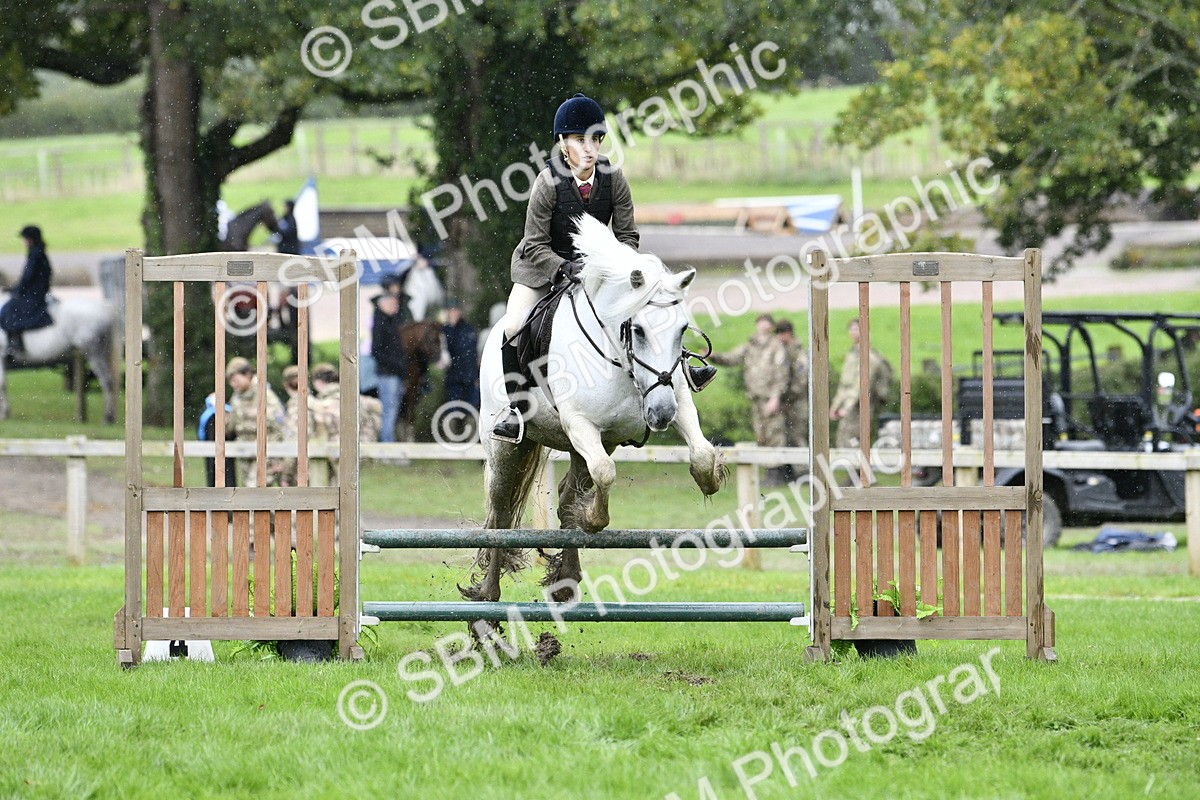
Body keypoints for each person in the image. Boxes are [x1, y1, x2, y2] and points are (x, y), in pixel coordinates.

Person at [490, 93, 716, 443]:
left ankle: (683, 367)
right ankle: (515, 410)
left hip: (597, 270)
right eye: (580, 140)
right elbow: (534, 244)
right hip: (541, 267)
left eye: (595, 139)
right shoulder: (547, 183)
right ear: (563, 144)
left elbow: (627, 235)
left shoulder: (613, 179)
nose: (589, 148)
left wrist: (618, 270)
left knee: (647, 312)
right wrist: (564, 269)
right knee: (515, 325)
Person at [710, 313, 790, 485]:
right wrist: (713, 356)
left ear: (771, 326)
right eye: (761, 322)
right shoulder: (750, 345)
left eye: (767, 323)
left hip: (770, 398)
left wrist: (775, 397)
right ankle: (769, 473)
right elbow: (732, 358)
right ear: (756, 324)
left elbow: (781, 374)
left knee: (775, 434)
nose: (763, 326)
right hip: (756, 399)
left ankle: (776, 475)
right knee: (762, 436)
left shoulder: (776, 346)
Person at [311, 362, 383, 481]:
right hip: (359, 448)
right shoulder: (353, 397)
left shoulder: (323, 402)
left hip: (336, 452)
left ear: (318, 382)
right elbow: (377, 407)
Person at [830, 318, 892, 450]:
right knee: (844, 438)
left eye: (857, 329)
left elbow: (861, 384)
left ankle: (859, 469)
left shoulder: (868, 356)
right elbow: (845, 384)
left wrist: (845, 408)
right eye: (851, 329)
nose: (853, 332)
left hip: (860, 406)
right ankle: (854, 469)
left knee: (853, 439)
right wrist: (836, 405)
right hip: (849, 405)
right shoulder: (853, 354)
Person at [224, 357, 286, 487]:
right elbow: (231, 427)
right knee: (250, 492)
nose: (234, 384)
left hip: (265, 452)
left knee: (254, 489)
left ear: (247, 375)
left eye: (236, 380)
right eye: (231, 381)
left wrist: (276, 456)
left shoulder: (264, 393)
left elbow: (279, 423)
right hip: (245, 453)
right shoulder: (236, 397)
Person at [1, 226, 54, 357]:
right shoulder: (38, 253)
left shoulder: (35, 255)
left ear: (30, 240)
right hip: (36, 292)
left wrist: (16, 290)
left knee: (7, 310)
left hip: (34, 295)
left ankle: (16, 343)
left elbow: (27, 278)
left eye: (24, 239)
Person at [371, 292, 408, 443]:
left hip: (393, 373)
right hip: (388, 374)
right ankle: (387, 444)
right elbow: (377, 351)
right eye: (393, 304)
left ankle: (388, 441)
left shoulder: (390, 321)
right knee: (389, 410)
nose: (396, 307)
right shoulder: (381, 323)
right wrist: (396, 364)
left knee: (391, 409)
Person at [775, 319, 809, 480]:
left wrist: (788, 399)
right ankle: (792, 471)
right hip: (789, 402)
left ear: (788, 333)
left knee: (798, 436)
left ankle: (803, 471)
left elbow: (801, 379)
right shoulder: (785, 350)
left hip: (798, 402)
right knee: (788, 435)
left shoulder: (798, 352)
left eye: (781, 333)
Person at [280, 365, 322, 486]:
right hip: (315, 465)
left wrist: (286, 475)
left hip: (299, 470)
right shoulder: (315, 403)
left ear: (286, 385)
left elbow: (295, 442)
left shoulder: (296, 407)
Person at [442, 300, 480, 411]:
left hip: (470, 377)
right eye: (451, 311)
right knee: (453, 411)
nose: (454, 313)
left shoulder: (469, 329)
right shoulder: (445, 331)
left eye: (456, 310)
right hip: (453, 378)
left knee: (472, 411)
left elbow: (473, 353)